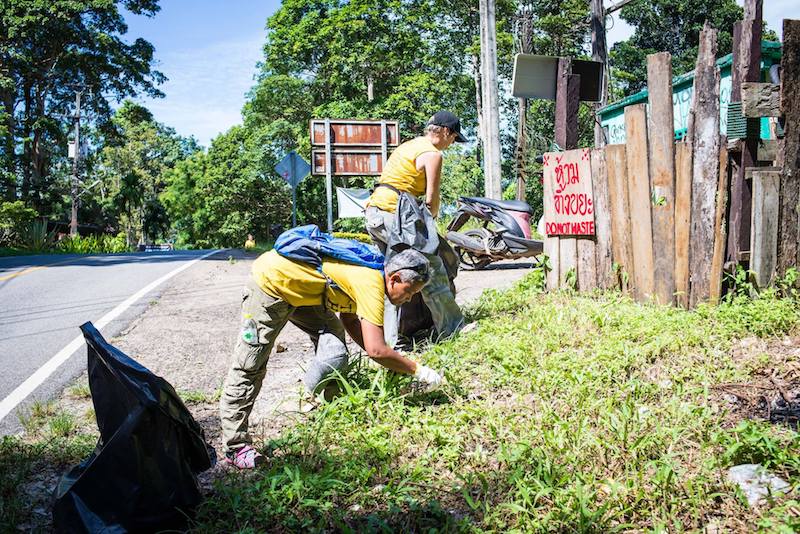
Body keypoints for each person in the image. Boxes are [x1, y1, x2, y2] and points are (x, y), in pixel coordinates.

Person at [219, 246, 445, 469]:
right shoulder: (371, 283)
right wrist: (418, 370)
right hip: (271, 285)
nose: (408, 300)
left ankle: (328, 401)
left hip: (305, 294)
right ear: (394, 279)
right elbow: (377, 350)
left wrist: (392, 361)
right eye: (410, 292)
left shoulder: (372, 269)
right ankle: (235, 446)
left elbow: (350, 321)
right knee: (250, 365)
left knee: (335, 349)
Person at [365, 110, 466, 345]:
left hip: (374, 213)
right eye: (453, 138)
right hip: (394, 216)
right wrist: (429, 227)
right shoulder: (433, 154)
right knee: (430, 269)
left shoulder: (408, 146)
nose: (452, 144)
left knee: (391, 277)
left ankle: (390, 342)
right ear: (445, 132)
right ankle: (453, 330)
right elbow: (431, 200)